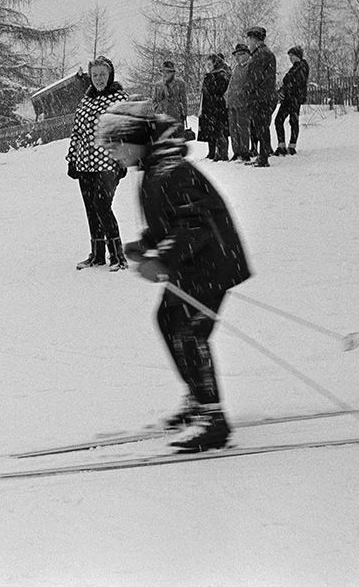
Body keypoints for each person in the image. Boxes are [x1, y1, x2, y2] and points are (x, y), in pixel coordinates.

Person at [96, 100, 250, 453]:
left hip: (212, 263)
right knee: (169, 321)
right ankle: (198, 399)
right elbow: (172, 221)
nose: (112, 155)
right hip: (194, 264)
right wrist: (147, 244)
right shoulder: (154, 169)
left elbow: (195, 225)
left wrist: (162, 258)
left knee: (189, 332)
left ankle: (213, 419)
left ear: (135, 139)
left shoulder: (172, 172)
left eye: (115, 146)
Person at [65, 56, 129, 271]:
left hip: (108, 163)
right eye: (95, 75)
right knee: (91, 209)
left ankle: (118, 256)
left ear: (110, 75)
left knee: (102, 206)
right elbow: (77, 132)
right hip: (85, 163)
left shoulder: (119, 99)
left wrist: (123, 160)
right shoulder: (86, 100)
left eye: (103, 74)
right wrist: (72, 159)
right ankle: (97, 255)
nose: (99, 79)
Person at [244, 26, 278, 168]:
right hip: (266, 96)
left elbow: (254, 79)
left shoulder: (260, 55)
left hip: (261, 97)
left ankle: (263, 157)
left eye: (249, 41)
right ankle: (262, 155)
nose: (248, 45)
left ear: (254, 40)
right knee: (262, 127)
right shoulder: (266, 54)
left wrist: (248, 92)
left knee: (261, 127)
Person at [274, 45, 310, 156]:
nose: (290, 58)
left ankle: (291, 146)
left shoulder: (302, 67)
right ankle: (282, 145)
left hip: (294, 98)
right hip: (288, 98)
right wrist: (282, 90)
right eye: (289, 56)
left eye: (292, 56)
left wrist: (285, 90)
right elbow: (288, 83)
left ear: (297, 56)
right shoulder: (295, 67)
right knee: (279, 120)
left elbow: (296, 83)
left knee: (292, 121)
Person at [198, 53, 231, 161]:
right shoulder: (208, 75)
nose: (207, 66)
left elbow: (220, 90)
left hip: (217, 105)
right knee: (209, 129)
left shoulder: (221, 74)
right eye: (206, 64)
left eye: (209, 64)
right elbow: (204, 92)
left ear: (215, 63)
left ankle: (222, 153)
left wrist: (211, 79)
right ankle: (211, 152)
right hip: (208, 106)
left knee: (219, 130)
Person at [224, 44, 252, 161]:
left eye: (240, 54)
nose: (237, 57)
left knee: (243, 128)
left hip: (243, 103)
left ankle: (245, 151)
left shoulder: (250, 66)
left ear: (246, 54)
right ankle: (236, 151)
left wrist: (244, 95)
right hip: (232, 103)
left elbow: (250, 85)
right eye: (236, 55)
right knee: (233, 129)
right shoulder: (237, 68)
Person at [152, 60, 189, 134]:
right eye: (163, 72)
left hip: (175, 117)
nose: (164, 74)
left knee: (176, 140)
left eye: (167, 72)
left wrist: (184, 114)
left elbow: (184, 101)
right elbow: (154, 100)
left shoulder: (180, 84)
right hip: (161, 118)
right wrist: (157, 110)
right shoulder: (158, 85)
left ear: (172, 73)